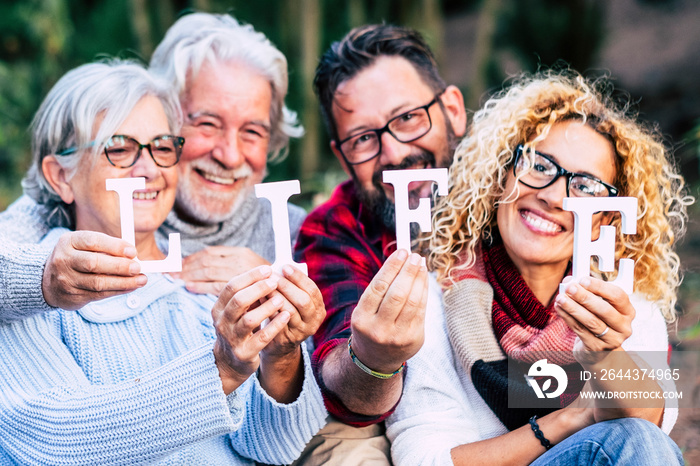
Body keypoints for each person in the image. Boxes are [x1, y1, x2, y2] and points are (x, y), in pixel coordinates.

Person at [0, 59, 326, 465]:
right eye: (119, 149)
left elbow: (274, 448)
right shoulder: (29, 293)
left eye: (161, 147)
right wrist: (221, 369)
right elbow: (49, 442)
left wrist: (282, 355)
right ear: (60, 176)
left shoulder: (210, 286)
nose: (150, 169)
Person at [385, 70, 690, 465]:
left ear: (607, 219)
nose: (554, 196)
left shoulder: (622, 307)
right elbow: (423, 460)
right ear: (500, 176)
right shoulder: (432, 299)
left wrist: (603, 355)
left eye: (587, 187)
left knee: (636, 437)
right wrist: (568, 419)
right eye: (539, 165)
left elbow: (650, 427)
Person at [0, 12, 306, 319]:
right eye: (208, 123)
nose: (229, 156)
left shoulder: (296, 232)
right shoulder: (58, 211)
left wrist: (271, 290)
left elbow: (329, 349)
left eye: (252, 132)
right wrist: (46, 280)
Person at [293, 24, 467, 464]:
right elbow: (344, 383)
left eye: (408, 118)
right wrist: (372, 359)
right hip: (389, 430)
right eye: (364, 139)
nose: (392, 154)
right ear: (341, 155)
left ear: (453, 109)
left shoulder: (529, 200)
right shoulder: (333, 231)